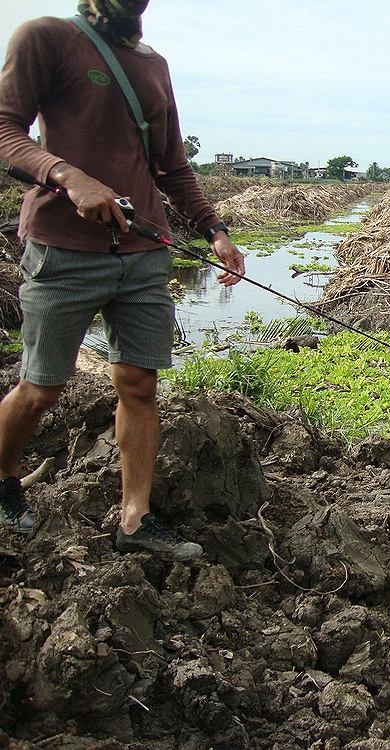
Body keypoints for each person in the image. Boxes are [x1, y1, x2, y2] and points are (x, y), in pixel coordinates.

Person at [0, 1, 245, 561]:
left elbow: (171, 164)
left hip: (143, 251)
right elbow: (4, 127)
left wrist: (215, 230)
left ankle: (135, 519)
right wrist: (67, 175)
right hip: (63, 250)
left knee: (139, 384)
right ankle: (4, 478)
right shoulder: (47, 38)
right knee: (40, 388)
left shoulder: (154, 65)